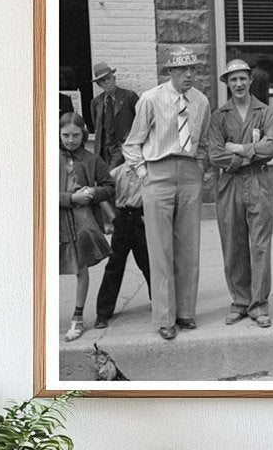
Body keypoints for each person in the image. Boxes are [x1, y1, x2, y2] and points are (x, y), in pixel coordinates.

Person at [121, 48, 211, 341]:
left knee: (189, 248)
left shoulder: (201, 101)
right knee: (160, 251)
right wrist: (144, 175)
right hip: (157, 173)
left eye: (192, 70)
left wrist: (199, 170)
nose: (188, 75)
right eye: (182, 70)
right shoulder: (151, 99)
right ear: (170, 72)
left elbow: (204, 142)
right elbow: (132, 144)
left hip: (188, 174)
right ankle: (164, 317)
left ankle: (185, 312)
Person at [209, 59, 273, 329]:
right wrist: (251, 151)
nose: (238, 84)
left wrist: (237, 148)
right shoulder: (219, 116)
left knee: (260, 244)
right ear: (227, 83)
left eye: (242, 79)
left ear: (251, 80)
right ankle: (239, 301)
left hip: (258, 181)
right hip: (229, 184)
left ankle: (259, 303)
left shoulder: (264, 111)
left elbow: (270, 147)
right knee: (233, 243)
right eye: (233, 79)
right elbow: (214, 154)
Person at [59, 112, 113, 342]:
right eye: (65, 135)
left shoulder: (92, 160)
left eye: (75, 135)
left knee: (81, 267)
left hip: (81, 221)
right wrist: (70, 199)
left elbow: (109, 187)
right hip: (57, 218)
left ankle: (78, 317)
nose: (70, 140)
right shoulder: (49, 158)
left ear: (84, 134)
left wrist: (92, 194)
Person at [94, 160, 150, 329]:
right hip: (123, 218)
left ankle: (161, 303)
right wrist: (113, 217)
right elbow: (101, 194)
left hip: (142, 218)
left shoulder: (149, 170)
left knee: (149, 263)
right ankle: (103, 312)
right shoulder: (116, 172)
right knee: (114, 266)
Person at [91, 62, 139, 169]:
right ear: (99, 84)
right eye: (103, 81)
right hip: (104, 148)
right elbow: (96, 124)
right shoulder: (96, 102)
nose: (107, 82)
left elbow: (141, 120)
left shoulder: (129, 96)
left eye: (108, 78)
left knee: (113, 176)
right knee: (106, 178)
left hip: (123, 145)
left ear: (114, 78)